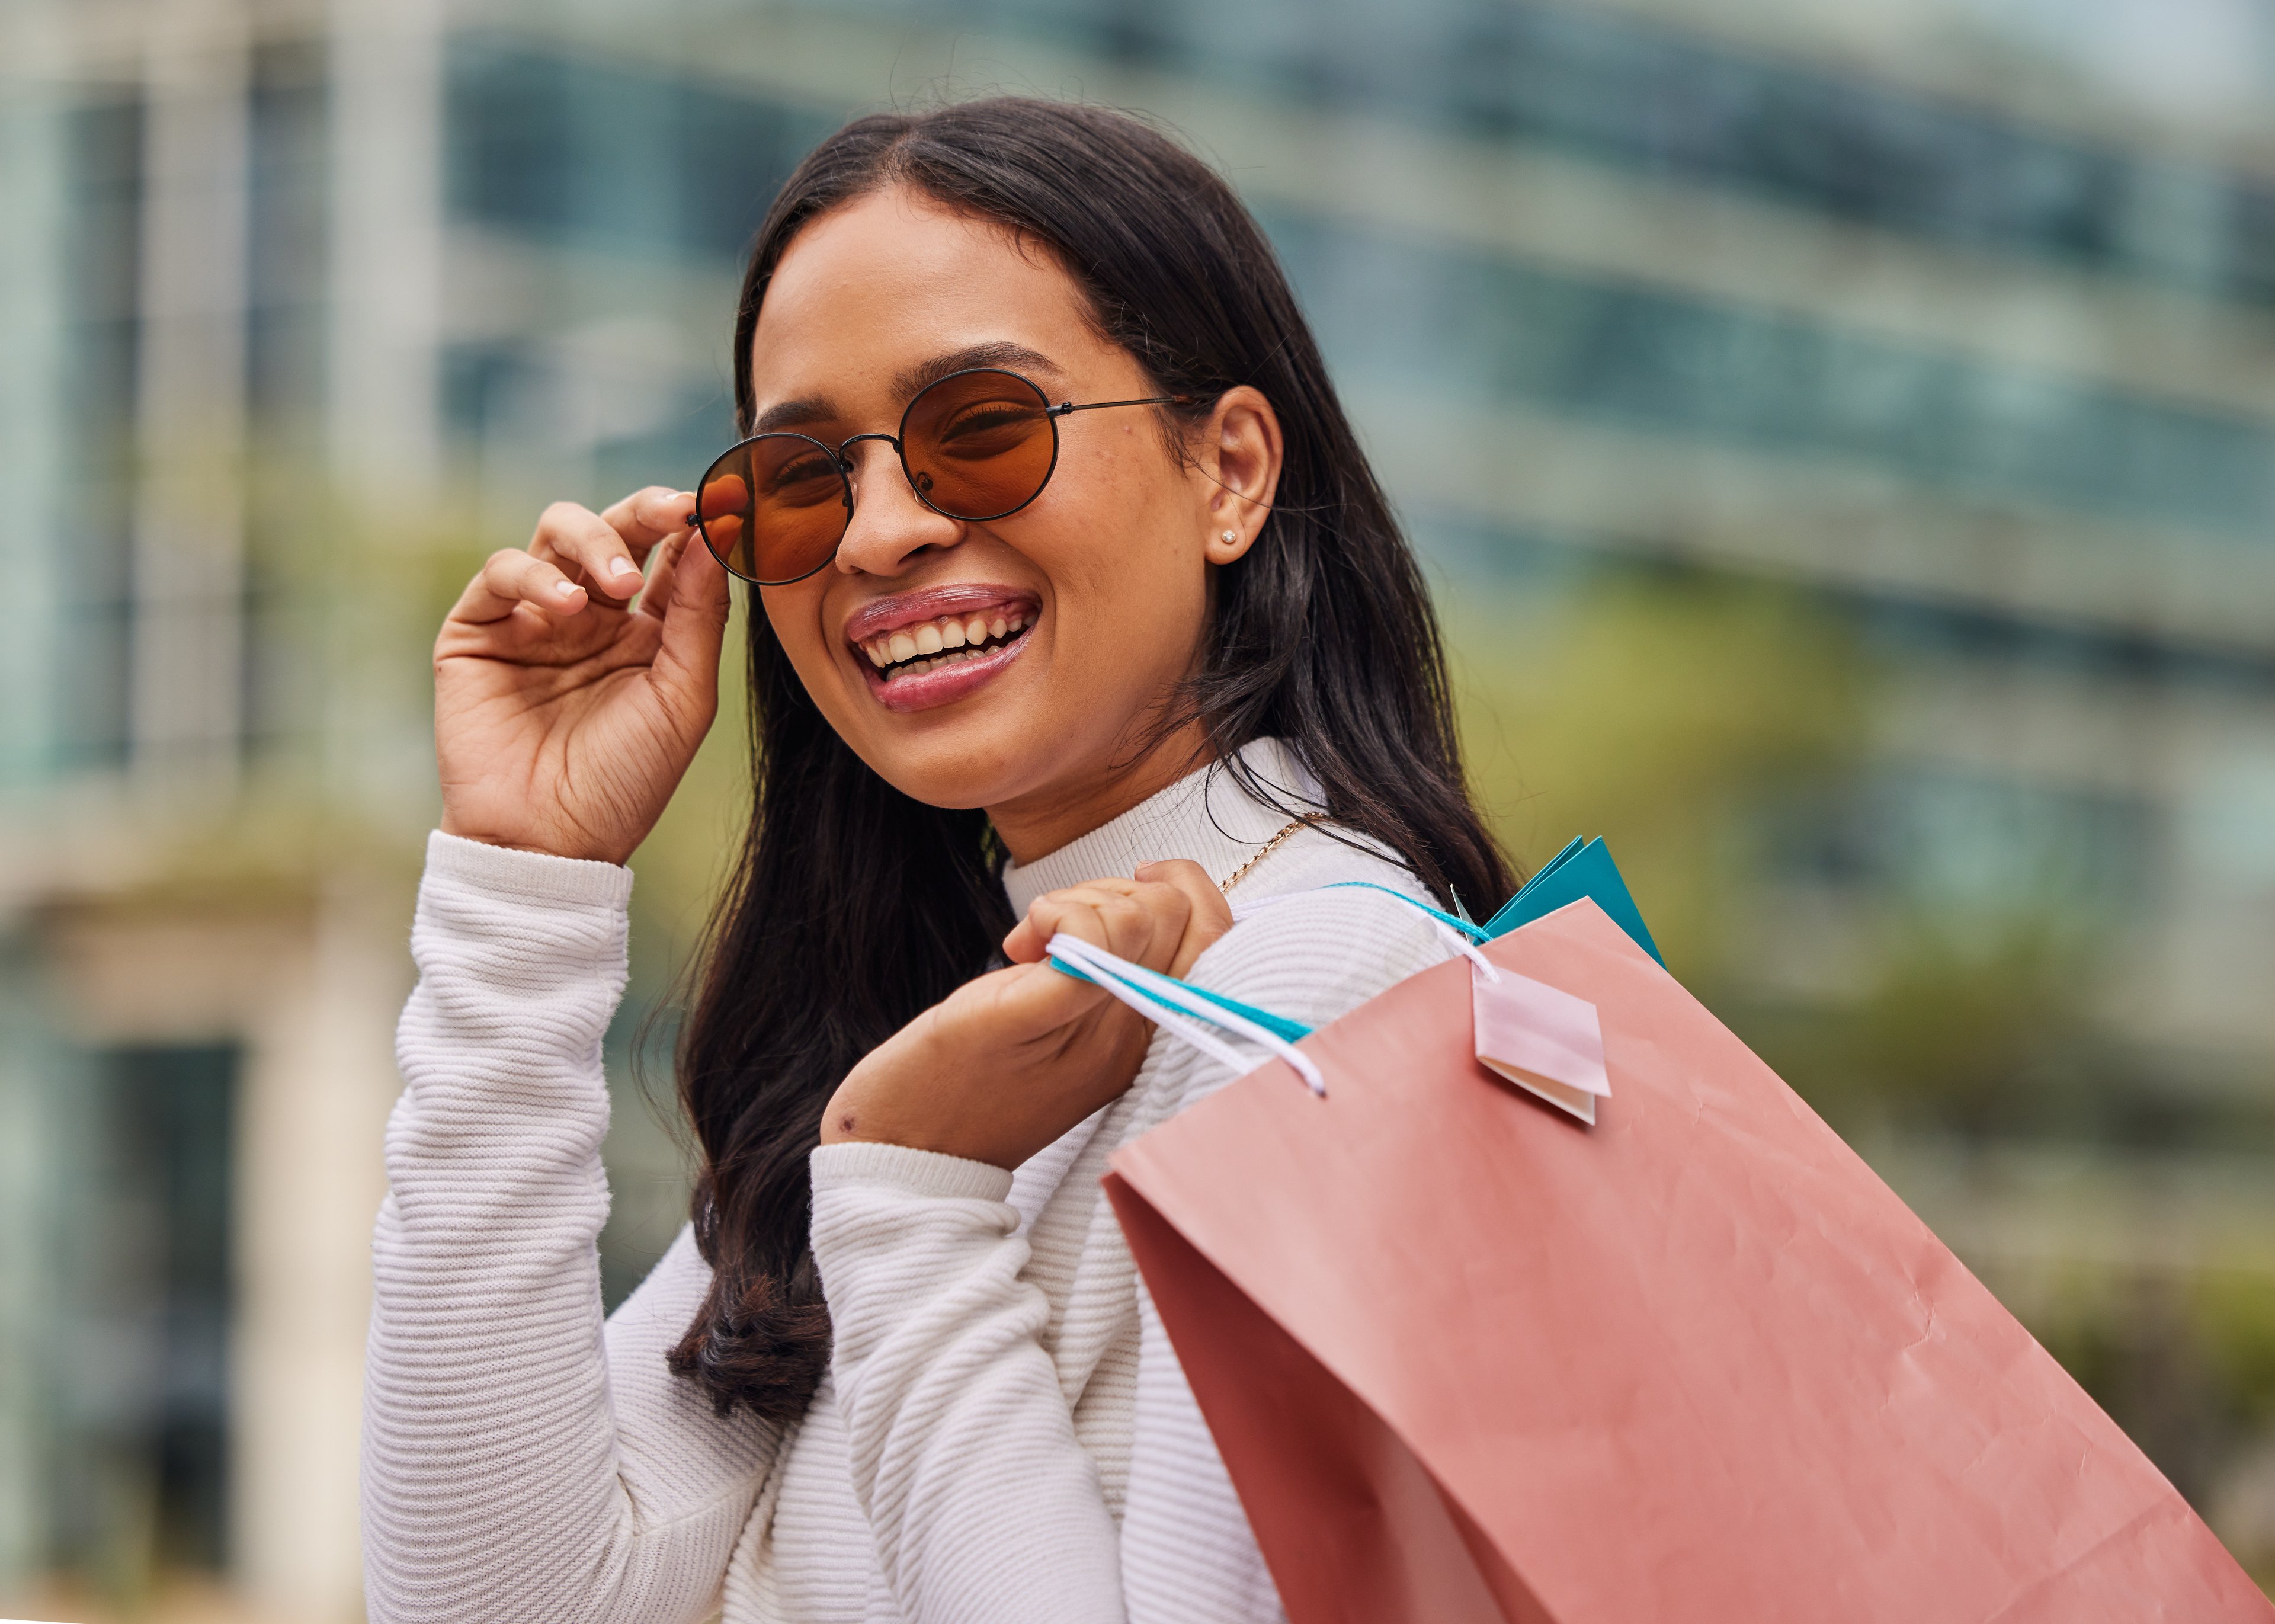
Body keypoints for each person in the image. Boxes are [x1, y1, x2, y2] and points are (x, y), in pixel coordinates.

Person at [363, 97, 1513, 1624]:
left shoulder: (1321, 999)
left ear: (1229, 471)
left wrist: (914, 1208)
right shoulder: (934, 1044)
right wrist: (525, 885)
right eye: (802, 480)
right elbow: (491, 1609)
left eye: (983, 431)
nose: (878, 535)